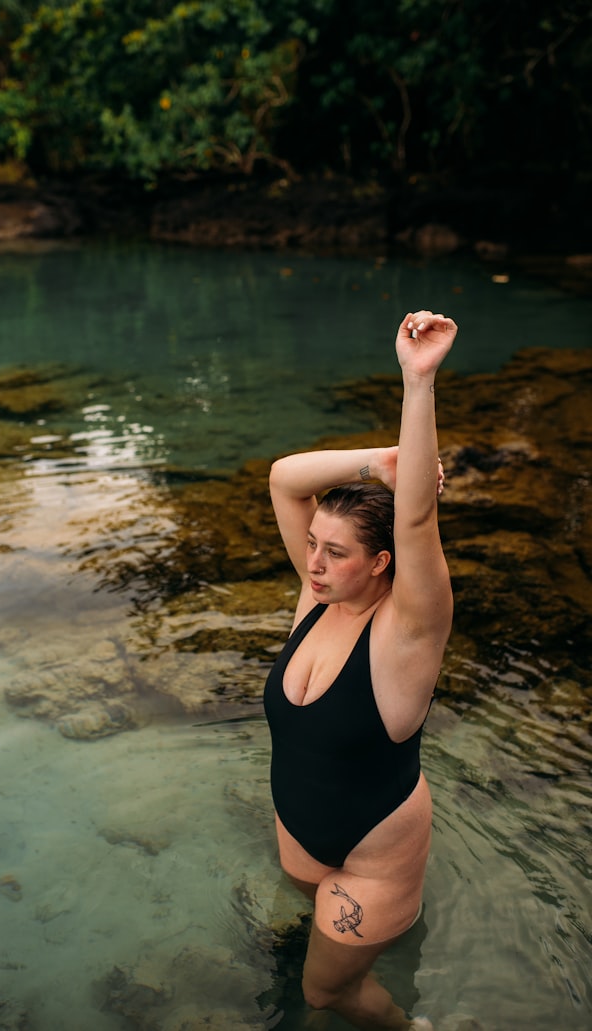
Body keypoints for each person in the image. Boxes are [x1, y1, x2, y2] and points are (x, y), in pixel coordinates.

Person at [263, 309, 457, 1029]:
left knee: (328, 995)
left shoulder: (410, 632)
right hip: (304, 840)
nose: (312, 562)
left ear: (380, 562)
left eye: (334, 552)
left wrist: (418, 382)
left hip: (372, 862)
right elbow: (284, 479)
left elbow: (415, 521)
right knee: (303, 963)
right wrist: (379, 461)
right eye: (312, 544)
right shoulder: (318, 598)